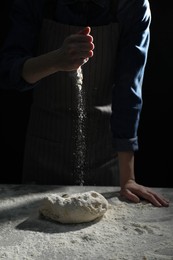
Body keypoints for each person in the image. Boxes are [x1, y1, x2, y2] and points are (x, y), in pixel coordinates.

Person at [0, 0, 169, 207]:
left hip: (105, 150)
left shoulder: (132, 6)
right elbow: (8, 72)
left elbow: (128, 90)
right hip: (44, 146)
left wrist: (128, 179)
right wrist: (55, 60)